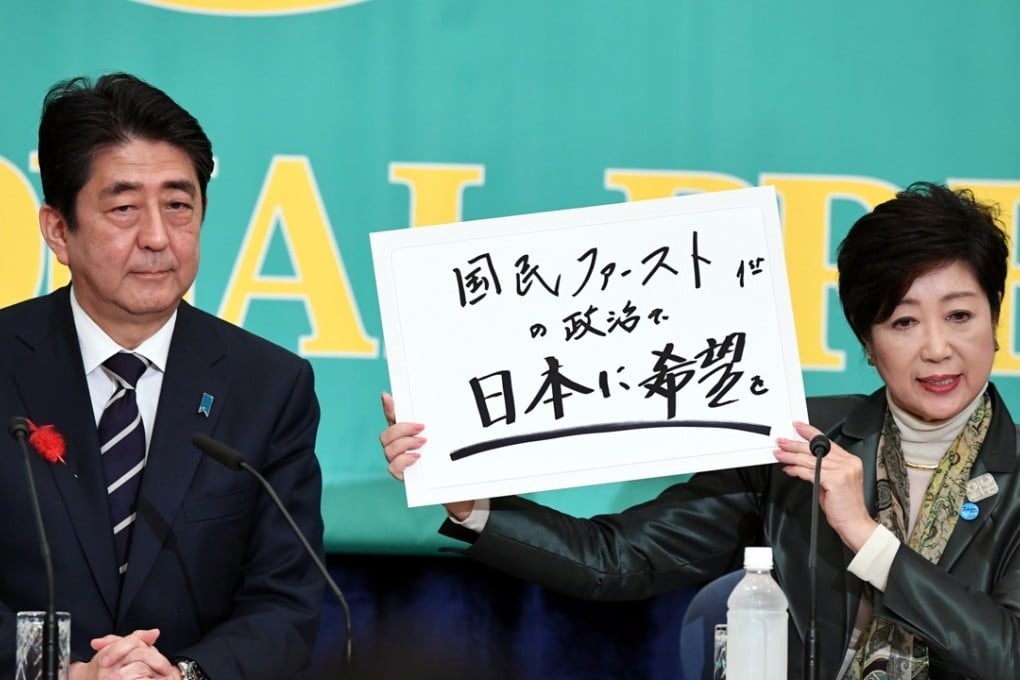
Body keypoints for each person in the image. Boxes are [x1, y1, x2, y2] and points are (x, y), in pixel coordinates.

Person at [381, 182, 1020, 679]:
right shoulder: (800, 443)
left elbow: (1008, 656)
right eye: (904, 323)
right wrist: (470, 502)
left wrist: (865, 535)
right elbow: (619, 560)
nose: (938, 348)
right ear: (868, 343)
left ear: (995, 324)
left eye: (960, 315)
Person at [0, 73, 325, 679]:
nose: (156, 237)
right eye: (123, 208)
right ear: (57, 230)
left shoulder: (268, 386)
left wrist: (182, 676)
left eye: (178, 205)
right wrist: (65, 673)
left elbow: (288, 601)